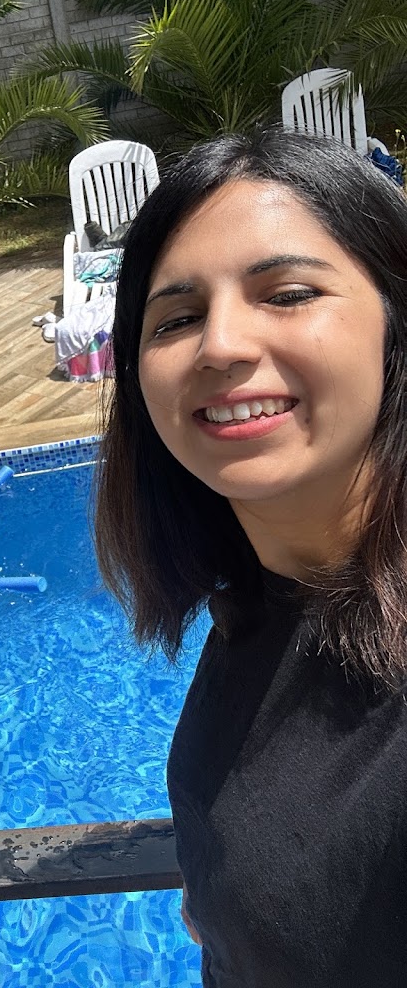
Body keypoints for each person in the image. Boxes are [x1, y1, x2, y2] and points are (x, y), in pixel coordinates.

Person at [93, 127, 407, 987]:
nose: (221, 345)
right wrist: (229, 898)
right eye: (177, 318)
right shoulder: (265, 596)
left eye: (289, 293)